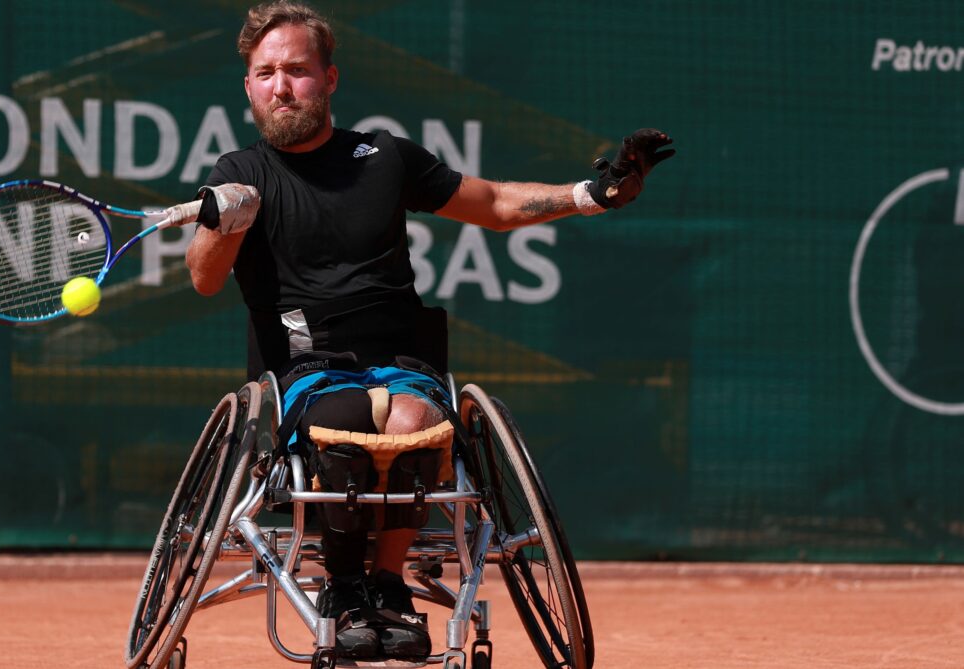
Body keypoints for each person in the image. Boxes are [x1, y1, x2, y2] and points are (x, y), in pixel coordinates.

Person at [176, 1, 674, 660]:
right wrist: (222, 223)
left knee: (414, 427)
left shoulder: (382, 157)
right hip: (308, 369)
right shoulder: (240, 176)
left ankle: (388, 588)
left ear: (328, 78)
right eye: (266, 72)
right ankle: (344, 587)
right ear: (249, 88)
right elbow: (204, 278)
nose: (281, 85)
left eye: (296, 69)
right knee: (348, 427)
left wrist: (590, 194)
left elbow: (493, 203)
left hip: (402, 358)